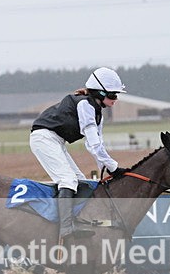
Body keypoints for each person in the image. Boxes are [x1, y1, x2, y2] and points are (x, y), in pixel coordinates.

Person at [30, 67, 129, 241]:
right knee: (68, 180)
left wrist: (105, 170)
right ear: (99, 92)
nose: (116, 99)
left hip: (56, 140)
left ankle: (73, 220)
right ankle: (66, 227)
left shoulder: (98, 113)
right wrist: (114, 167)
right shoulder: (85, 105)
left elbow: (98, 145)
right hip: (43, 138)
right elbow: (93, 144)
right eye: (112, 95)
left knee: (80, 181)